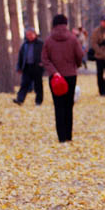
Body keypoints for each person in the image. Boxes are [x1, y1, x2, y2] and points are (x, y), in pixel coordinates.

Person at [42, 14, 83, 143]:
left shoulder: (48, 40)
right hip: (70, 75)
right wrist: (75, 65)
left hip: (55, 77)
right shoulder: (73, 39)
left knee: (58, 106)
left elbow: (44, 58)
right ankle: (68, 136)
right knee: (69, 105)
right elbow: (80, 55)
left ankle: (61, 137)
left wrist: (54, 72)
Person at [13, 27, 44, 106]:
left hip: (37, 67)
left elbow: (45, 55)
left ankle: (38, 101)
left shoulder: (40, 44)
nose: (29, 36)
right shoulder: (25, 44)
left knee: (38, 85)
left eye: (30, 34)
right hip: (27, 67)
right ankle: (20, 100)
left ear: (35, 34)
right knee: (24, 84)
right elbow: (21, 56)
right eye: (27, 35)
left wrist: (42, 63)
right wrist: (19, 67)